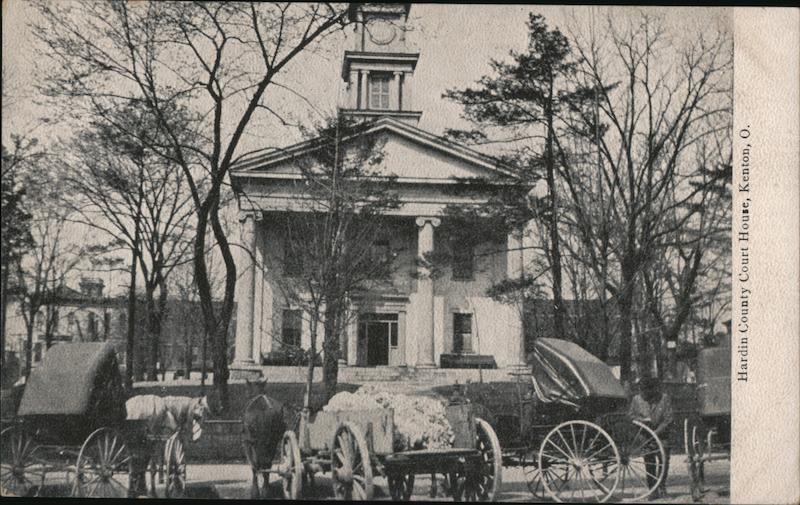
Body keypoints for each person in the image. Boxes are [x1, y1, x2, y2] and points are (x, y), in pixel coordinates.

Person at [628, 375, 674, 498]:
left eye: (646, 391)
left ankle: (662, 486)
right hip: (645, 437)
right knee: (649, 462)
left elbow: (668, 419)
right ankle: (652, 489)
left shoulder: (664, 399)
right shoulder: (636, 399)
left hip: (662, 436)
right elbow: (631, 416)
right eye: (641, 390)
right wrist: (642, 421)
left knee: (663, 461)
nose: (643, 394)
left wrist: (657, 432)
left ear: (654, 389)